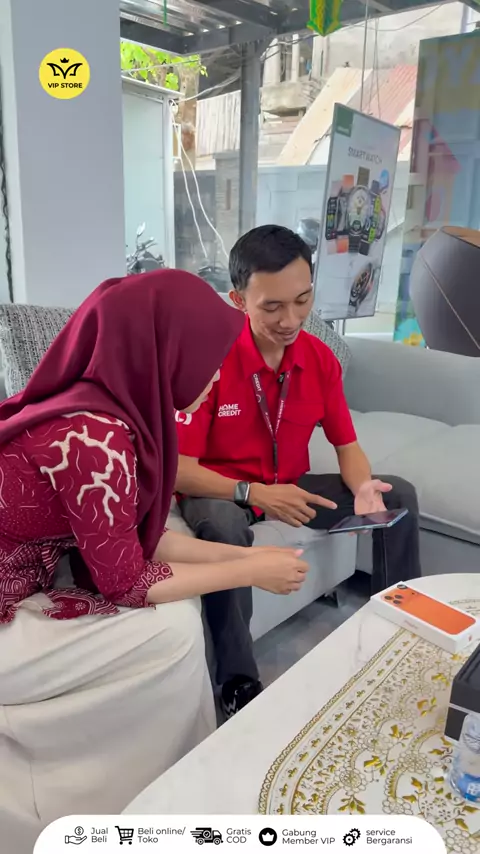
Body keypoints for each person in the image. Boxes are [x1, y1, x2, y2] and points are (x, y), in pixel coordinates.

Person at [0, 269, 308, 852]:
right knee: (171, 631)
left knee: (176, 619)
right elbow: (125, 580)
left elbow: (142, 538)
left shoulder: (111, 413)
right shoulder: (93, 438)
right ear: (166, 352)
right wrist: (248, 571)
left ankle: (154, 783)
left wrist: (249, 556)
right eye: (209, 359)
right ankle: (143, 796)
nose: (215, 376)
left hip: (24, 579)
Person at [175, 225, 422, 717]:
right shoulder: (210, 361)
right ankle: (238, 682)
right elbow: (180, 470)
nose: (291, 320)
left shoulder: (319, 359)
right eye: (272, 307)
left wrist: (363, 487)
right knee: (222, 527)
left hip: (288, 488)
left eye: (302, 300)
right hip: (224, 491)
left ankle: (398, 630)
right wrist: (254, 493)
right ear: (238, 300)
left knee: (399, 495)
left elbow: (347, 446)